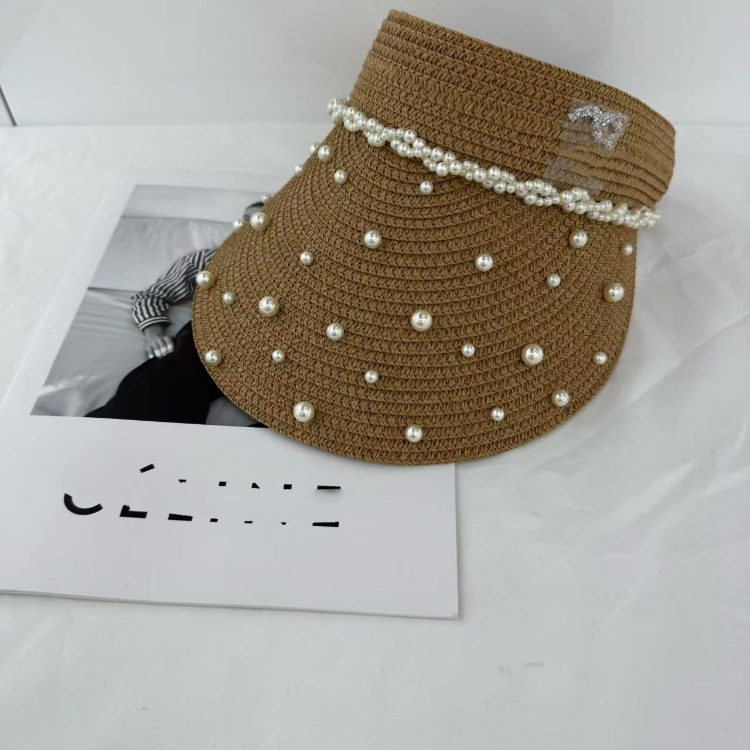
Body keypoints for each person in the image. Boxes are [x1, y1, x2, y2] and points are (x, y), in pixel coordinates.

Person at [86, 202, 265, 424]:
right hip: (214, 336)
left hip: (275, 347)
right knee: (163, 387)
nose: (252, 224)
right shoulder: (209, 259)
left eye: (263, 218)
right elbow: (154, 295)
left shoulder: (296, 263)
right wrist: (154, 334)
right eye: (247, 218)